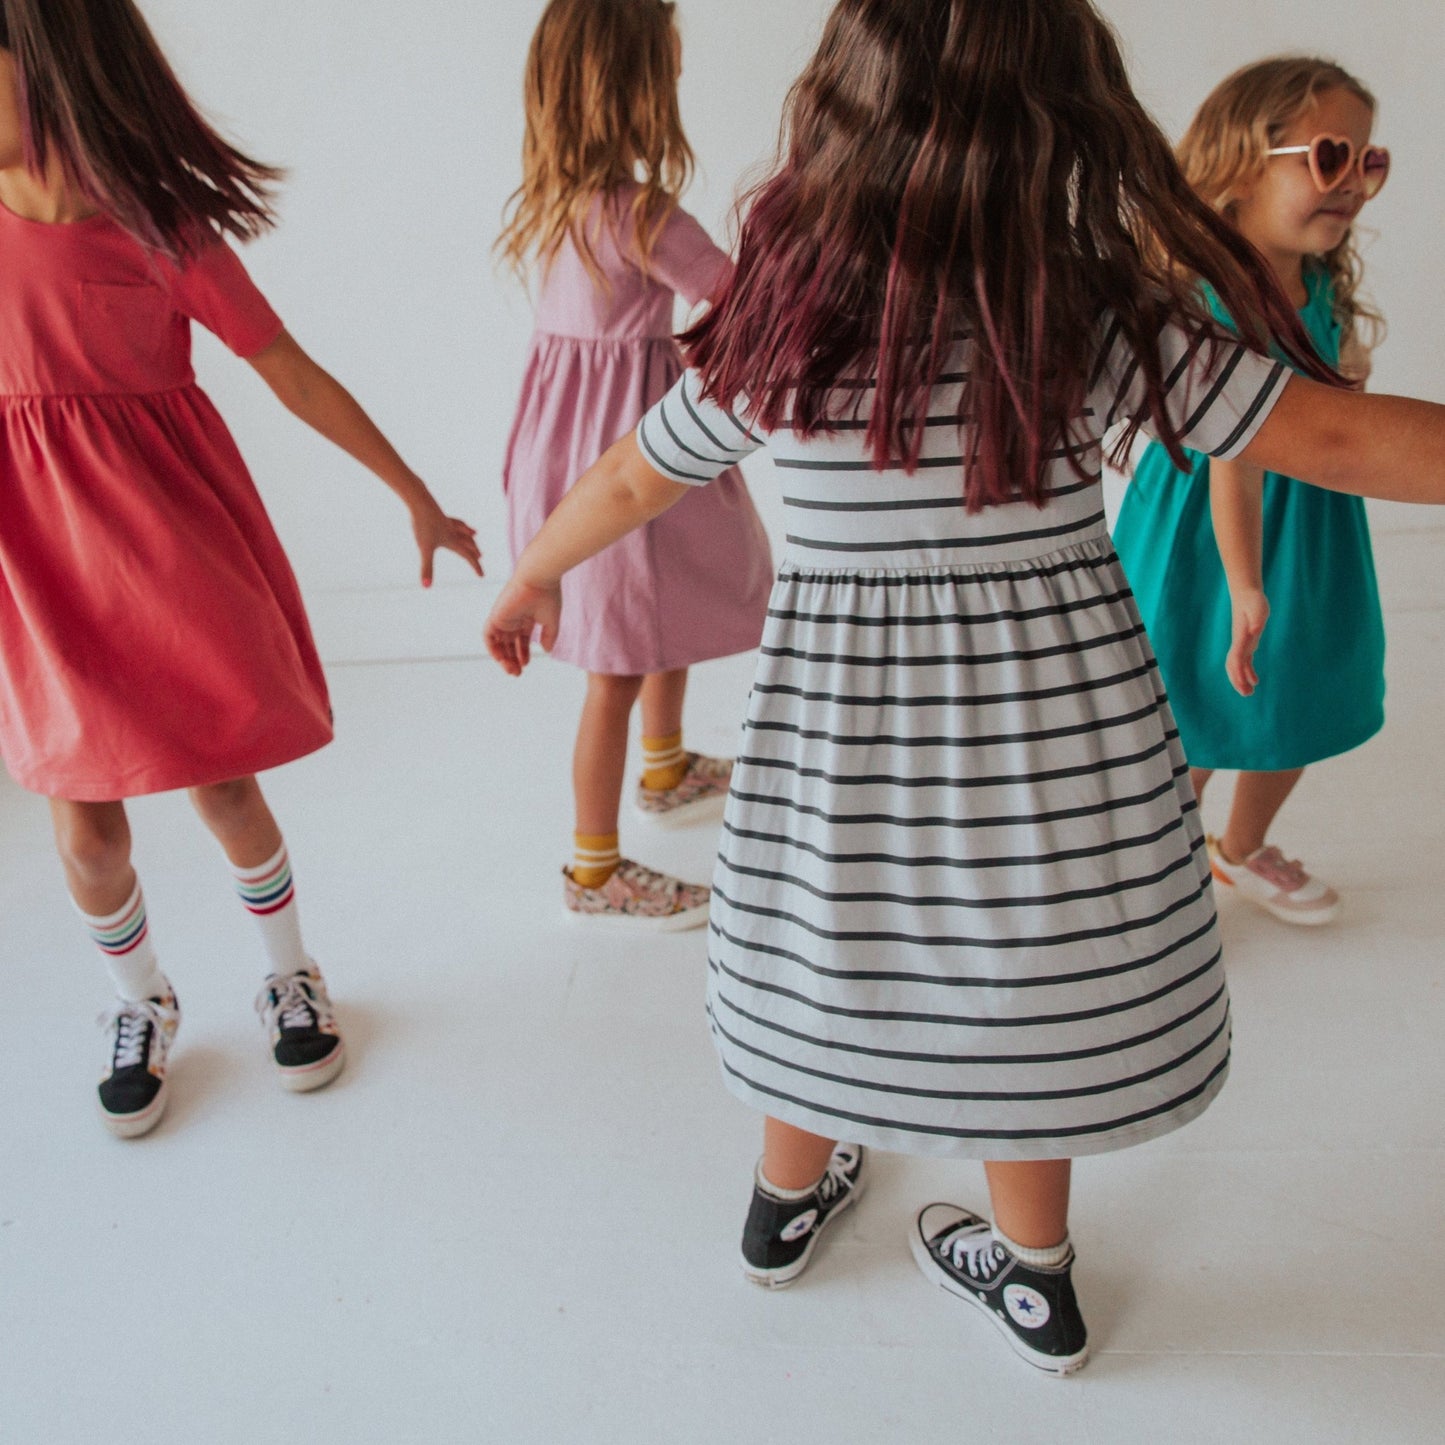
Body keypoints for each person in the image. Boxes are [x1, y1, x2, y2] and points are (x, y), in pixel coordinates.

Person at [485, 0, 1445, 1376]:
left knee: (829, 948)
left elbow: (645, 467)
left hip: (840, 726)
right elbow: (1338, 433)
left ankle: (779, 1206)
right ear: (1058, 116)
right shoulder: (1079, 303)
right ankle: (1037, 1278)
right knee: (1029, 977)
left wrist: (532, 576)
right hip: (1051, 729)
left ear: (840, 107)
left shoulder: (782, 309)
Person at [0, 0, 481, 1138]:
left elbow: (291, 372)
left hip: (166, 554)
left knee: (222, 779)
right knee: (84, 824)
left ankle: (288, 971)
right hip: (41, 567)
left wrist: (413, 491)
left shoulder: (156, 225)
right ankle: (140, 1000)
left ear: (50, 75)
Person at [497, 0, 772, 929]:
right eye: (669, 62)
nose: (682, 74)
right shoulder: (641, 212)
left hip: (562, 447)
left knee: (662, 602)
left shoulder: (555, 204)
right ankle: (594, 869)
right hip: (625, 450)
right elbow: (740, 298)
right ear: (634, 87)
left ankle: (664, 767)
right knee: (614, 664)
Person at [1114, 58, 1391, 927]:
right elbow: (1234, 454)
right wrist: (1241, 580)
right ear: (1239, 165)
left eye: (1367, 162)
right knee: (1192, 706)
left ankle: (1238, 848)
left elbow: (1325, 388)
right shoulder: (1216, 297)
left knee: (1299, 689)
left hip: (1306, 519)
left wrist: (1342, 374)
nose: (1350, 184)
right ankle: (1157, 875)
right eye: (1328, 156)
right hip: (1207, 529)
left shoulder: (1315, 283)